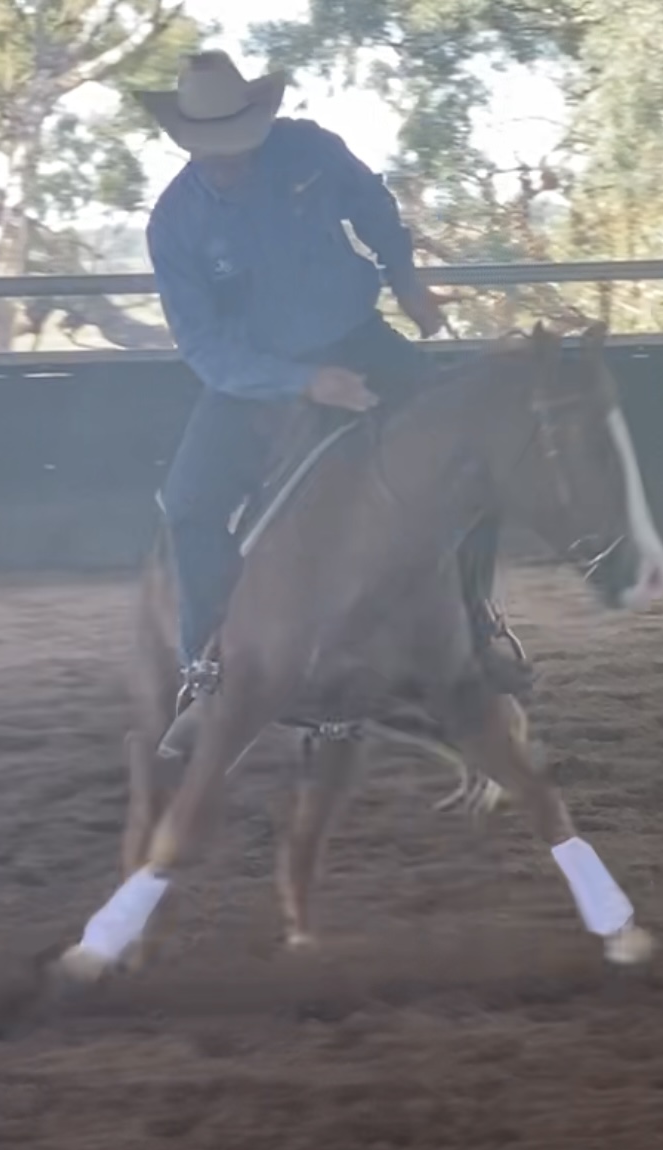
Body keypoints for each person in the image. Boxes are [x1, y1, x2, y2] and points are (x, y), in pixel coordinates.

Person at [136, 50, 532, 717]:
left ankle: (476, 623)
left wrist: (405, 278)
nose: (229, 159)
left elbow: (373, 205)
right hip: (255, 380)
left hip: (359, 339)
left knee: (472, 451)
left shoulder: (309, 150)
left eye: (238, 142)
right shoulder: (174, 223)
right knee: (188, 506)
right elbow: (204, 347)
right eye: (213, 148)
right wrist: (303, 381)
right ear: (188, 142)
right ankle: (205, 664)